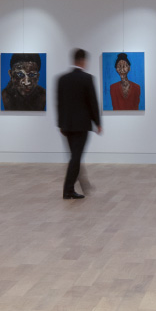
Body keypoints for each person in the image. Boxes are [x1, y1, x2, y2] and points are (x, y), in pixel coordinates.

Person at [54, 48, 102, 199]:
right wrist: (98, 123)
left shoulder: (62, 79)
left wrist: (60, 124)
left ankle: (82, 184)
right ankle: (68, 189)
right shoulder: (87, 79)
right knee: (76, 158)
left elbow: (59, 103)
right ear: (82, 61)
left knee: (75, 156)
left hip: (67, 125)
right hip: (81, 125)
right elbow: (92, 102)